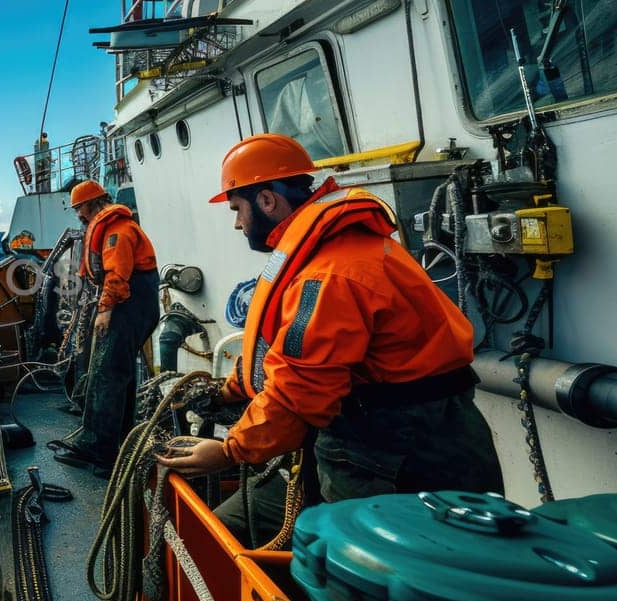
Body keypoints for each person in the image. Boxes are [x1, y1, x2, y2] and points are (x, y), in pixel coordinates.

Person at [156, 133, 504, 540]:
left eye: (237, 208)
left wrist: (229, 451)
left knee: (371, 577)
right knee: (233, 529)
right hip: (396, 433)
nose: (237, 222)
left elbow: (302, 389)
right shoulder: (342, 250)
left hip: (391, 452)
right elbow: (284, 355)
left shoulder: (329, 275)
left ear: (267, 200)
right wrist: (227, 391)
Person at [53, 180, 160, 475]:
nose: (79, 215)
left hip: (128, 305)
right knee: (116, 375)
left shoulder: (118, 231)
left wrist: (105, 310)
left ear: (93, 204)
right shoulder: (112, 227)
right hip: (132, 305)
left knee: (107, 375)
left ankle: (99, 450)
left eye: (80, 208)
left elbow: (117, 275)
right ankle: (115, 446)